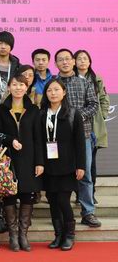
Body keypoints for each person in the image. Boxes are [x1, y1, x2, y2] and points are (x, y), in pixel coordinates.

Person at [0, 75, 44, 252]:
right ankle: (13, 235)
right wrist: (10, 140)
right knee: (9, 194)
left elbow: (39, 138)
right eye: (14, 84)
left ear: (27, 87)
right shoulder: (1, 109)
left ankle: (23, 235)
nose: (18, 88)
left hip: (29, 159)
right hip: (8, 159)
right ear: (9, 87)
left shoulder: (33, 110)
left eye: (21, 85)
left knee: (27, 195)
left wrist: (40, 162)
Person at [54, 49, 100, 228]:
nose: (65, 62)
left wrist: (77, 117)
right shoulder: (53, 84)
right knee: (60, 173)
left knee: (85, 174)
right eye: (60, 60)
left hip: (84, 136)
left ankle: (88, 212)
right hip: (58, 139)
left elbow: (94, 105)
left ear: (73, 61)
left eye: (68, 59)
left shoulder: (84, 82)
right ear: (56, 64)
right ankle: (60, 212)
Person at [40, 79, 86, 251]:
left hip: (68, 165)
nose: (53, 93)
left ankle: (70, 235)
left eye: (56, 89)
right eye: (49, 90)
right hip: (48, 165)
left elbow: (80, 142)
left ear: (64, 92)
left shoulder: (73, 113)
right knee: (52, 201)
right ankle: (58, 235)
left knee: (62, 200)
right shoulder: (42, 114)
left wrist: (81, 165)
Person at [74, 50, 111, 205]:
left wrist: (103, 115)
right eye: (79, 58)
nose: (82, 61)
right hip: (75, 125)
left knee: (90, 163)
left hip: (94, 125)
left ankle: (90, 193)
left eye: (85, 58)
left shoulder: (97, 79)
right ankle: (78, 193)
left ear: (90, 62)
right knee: (76, 161)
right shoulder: (71, 78)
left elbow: (103, 98)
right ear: (74, 62)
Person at [0, 31, 21, 104]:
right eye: (0, 43)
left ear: (11, 46)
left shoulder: (18, 67)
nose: (3, 47)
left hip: (12, 104)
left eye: (6, 44)